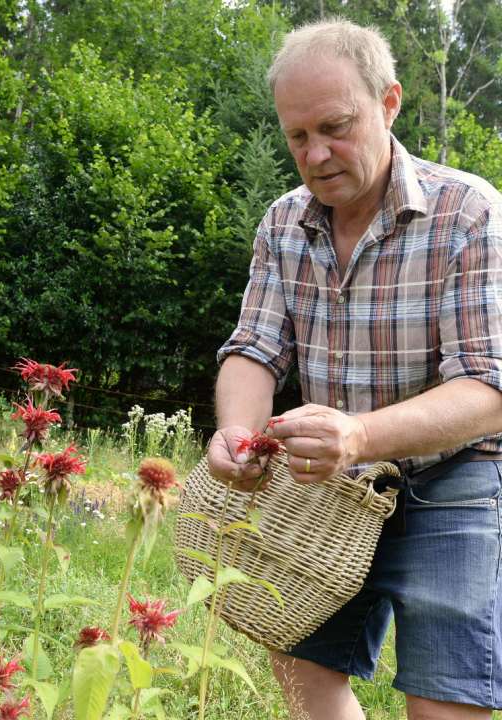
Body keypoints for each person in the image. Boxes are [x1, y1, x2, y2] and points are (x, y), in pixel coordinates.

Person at [208, 18, 502, 720]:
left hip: (454, 483)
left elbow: (490, 389)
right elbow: (254, 348)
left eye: (335, 127)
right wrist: (239, 435)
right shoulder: (283, 223)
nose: (316, 153)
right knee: (304, 676)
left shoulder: (467, 211)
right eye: (297, 136)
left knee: (445, 702)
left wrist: (359, 436)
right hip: (325, 489)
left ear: (390, 102)